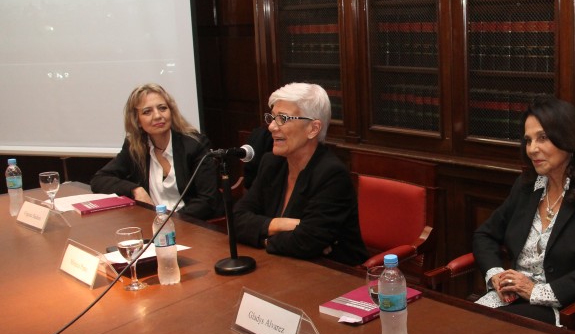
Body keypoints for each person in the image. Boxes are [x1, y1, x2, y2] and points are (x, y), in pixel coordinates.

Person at [472, 95, 575, 327]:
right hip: (510, 299)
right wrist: (496, 276)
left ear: (568, 139)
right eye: (528, 140)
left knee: (491, 331)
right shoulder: (526, 188)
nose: (532, 149)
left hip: (562, 308)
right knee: (464, 325)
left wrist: (537, 291)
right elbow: (485, 235)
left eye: (542, 138)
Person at [233, 82, 368, 266]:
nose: (272, 127)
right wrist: (283, 225)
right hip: (281, 266)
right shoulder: (271, 163)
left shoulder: (332, 174)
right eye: (272, 118)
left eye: (283, 118)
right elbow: (237, 219)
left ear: (313, 129)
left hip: (334, 274)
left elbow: (306, 242)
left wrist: (263, 236)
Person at [91, 84, 223, 220]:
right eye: (147, 112)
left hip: (192, 224)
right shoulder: (136, 146)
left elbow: (207, 201)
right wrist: (135, 190)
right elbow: (99, 180)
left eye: (162, 108)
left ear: (171, 112)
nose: (158, 116)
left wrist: (170, 221)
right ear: (138, 121)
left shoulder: (195, 145)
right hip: (153, 225)